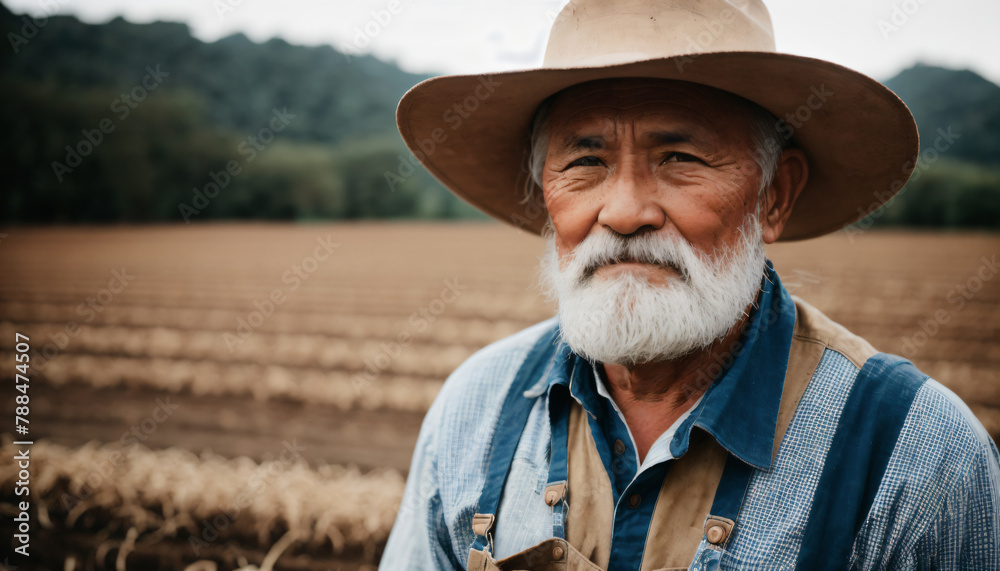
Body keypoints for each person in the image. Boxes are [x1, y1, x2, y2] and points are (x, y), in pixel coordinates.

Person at [381, 0, 1000, 569]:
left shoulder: (918, 457)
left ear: (774, 196)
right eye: (585, 162)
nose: (623, 212)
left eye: (680, 159)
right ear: (545, 193)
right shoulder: (474, 413)